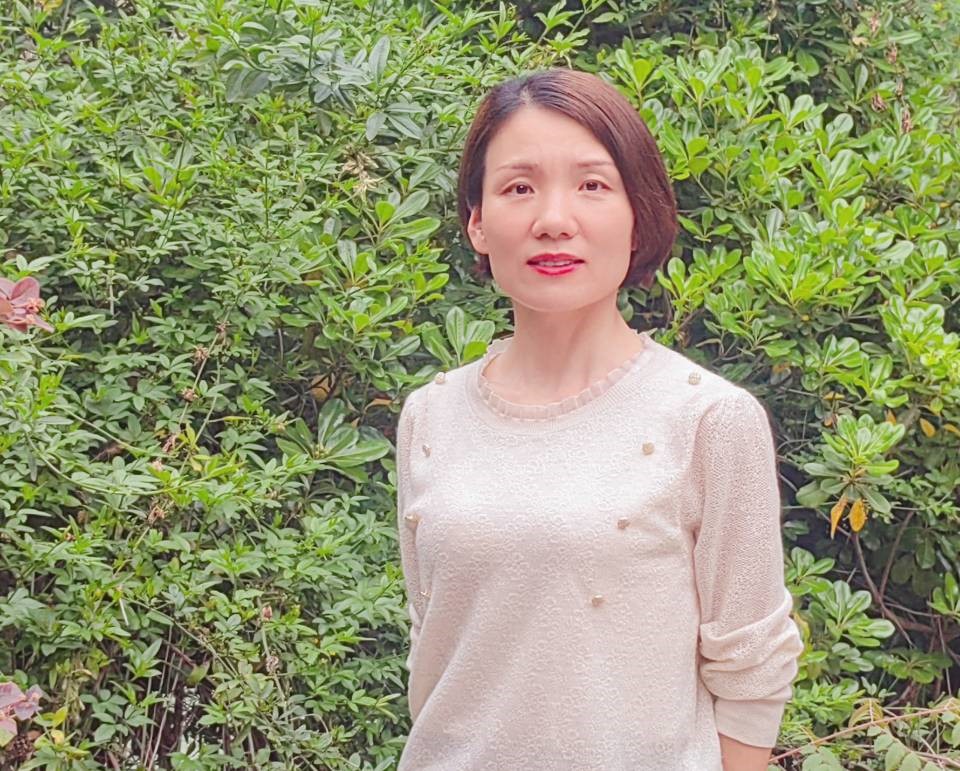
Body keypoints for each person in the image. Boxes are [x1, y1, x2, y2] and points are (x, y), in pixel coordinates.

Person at [394, 67, 804, 771]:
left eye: (592, 184)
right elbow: (433, 643)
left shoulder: (707, 418)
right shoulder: (430, 416)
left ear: (638, 214)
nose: (554, 219)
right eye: (519, 188)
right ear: (477, 222)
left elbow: (752, 669)